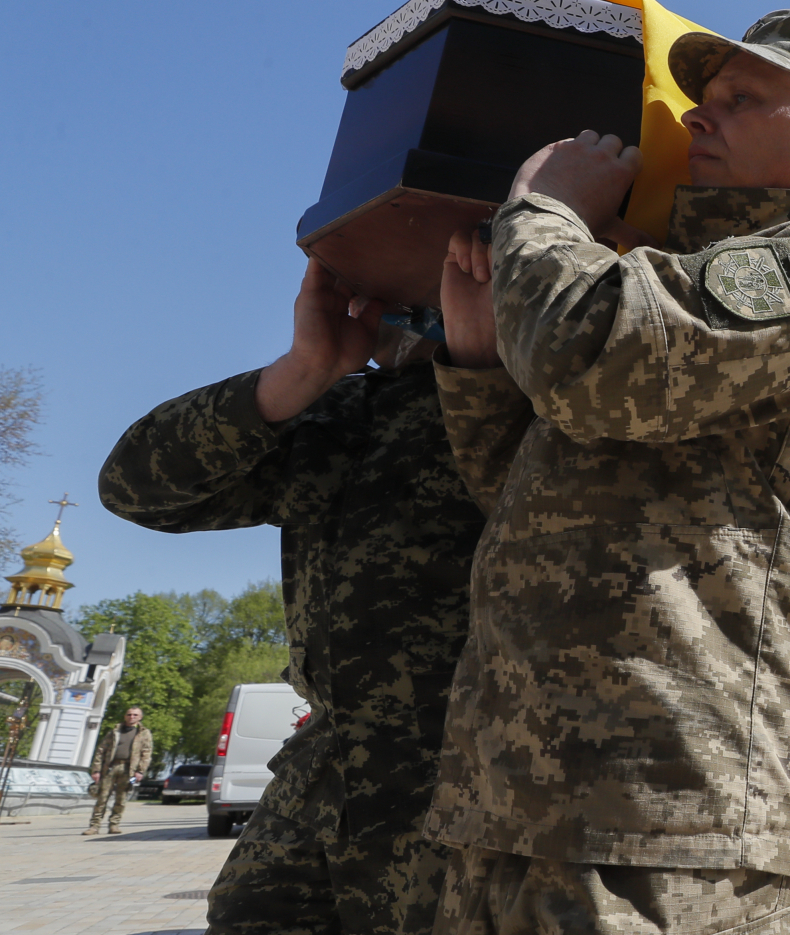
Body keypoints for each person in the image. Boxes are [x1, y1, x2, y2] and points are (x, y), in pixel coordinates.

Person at [425, 10, 790, 934]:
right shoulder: (653, 272)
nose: (699, 117)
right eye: (702, 100)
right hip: (513, 797)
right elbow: (522, 497)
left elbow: (596, 357)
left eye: (742, 100)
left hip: (681, 812)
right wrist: (475, 366)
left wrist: (542, 207)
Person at [101, 258, 487, 932]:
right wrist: (301, 373)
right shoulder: (344, 415)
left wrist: (485, 361)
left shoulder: (553, 401)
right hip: (332, 775)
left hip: (481, 775)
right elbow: (135, 486)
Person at [81, 707, 151, 835]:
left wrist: (140, 771)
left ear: (140, 717)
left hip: (129, 771)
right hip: (110, 768)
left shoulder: (144, 733)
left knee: (121, 798)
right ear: (125, 716)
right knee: (102, 797)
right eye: (129, 714)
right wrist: (96, 770)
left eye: (135, 715)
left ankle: (114, 825)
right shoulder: (114, 731)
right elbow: (101, 750)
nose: (132, 717)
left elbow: (146, 754)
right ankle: (94, 826)